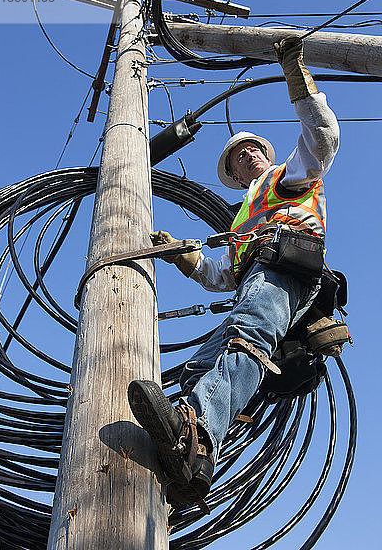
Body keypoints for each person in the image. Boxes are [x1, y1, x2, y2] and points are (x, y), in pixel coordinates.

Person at [128, 36, 340, 512]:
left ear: (264, 155)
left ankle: (197, 428)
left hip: (285, 267)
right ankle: (194, 463)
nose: (246, 155)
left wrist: (298, 81)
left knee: (247, 338)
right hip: (255, 276)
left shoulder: (286, 178)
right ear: (234, 173)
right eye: (237, 157)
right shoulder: (242, 217)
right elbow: (219, 276)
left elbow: (323, 138)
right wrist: (183, 256)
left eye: (250, 149)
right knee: (204, 361)